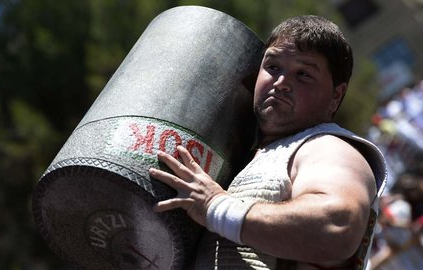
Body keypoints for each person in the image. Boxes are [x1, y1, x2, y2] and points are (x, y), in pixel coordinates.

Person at [148, 15, 387, 269]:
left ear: (335, 96)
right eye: (273, 67)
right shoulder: (252, 154)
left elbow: (338, 225)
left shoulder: (328, 147)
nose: (281, 83)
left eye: (303, 74)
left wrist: (214, 206)